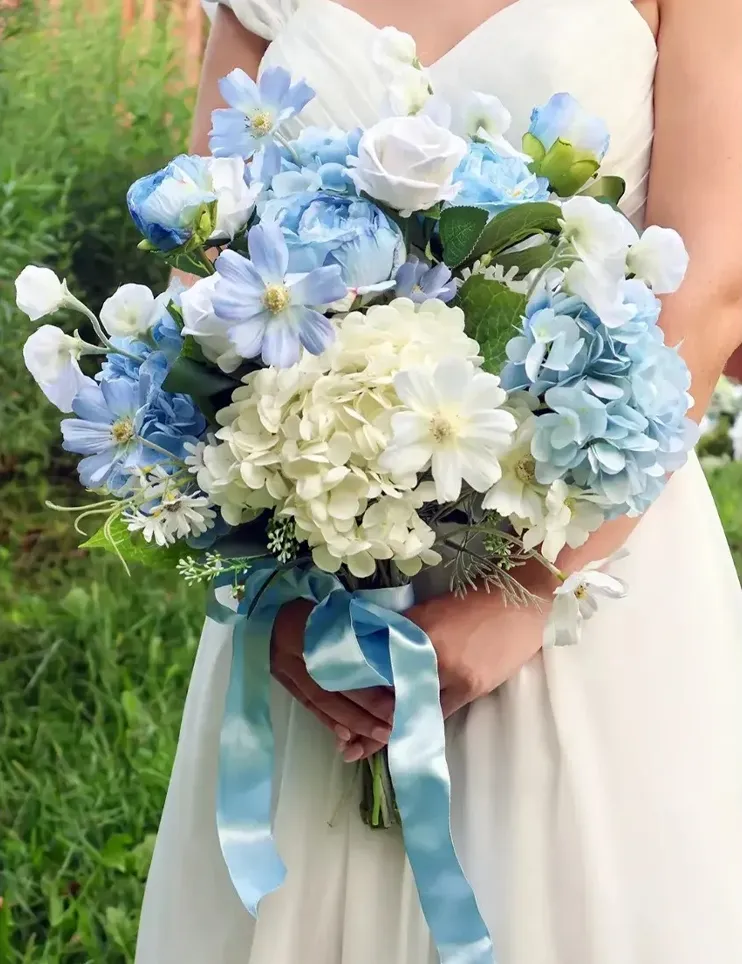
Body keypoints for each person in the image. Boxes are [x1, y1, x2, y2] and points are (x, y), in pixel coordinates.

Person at [135, 1, 742, 961]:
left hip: (585, 568)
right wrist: (272, 588)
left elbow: (710, 288)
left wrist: (532, 594)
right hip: (315, 581)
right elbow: (208, 270)